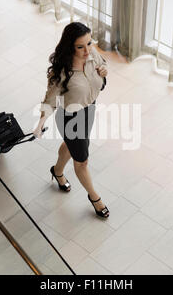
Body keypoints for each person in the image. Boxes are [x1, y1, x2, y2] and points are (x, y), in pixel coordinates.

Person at [33, 22, 110, 218]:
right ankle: (95, 198)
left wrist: (104, 72)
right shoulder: (61, 72)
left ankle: (57, 171)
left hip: (89, 110)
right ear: (70, 47)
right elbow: (50, 100)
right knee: (81, 161)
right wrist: (41, 122)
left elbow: (103, 65)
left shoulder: (92, 54)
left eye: (89, 43)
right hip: (71, 118)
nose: (87, 51)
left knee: (71, 146)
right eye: (80, 47)